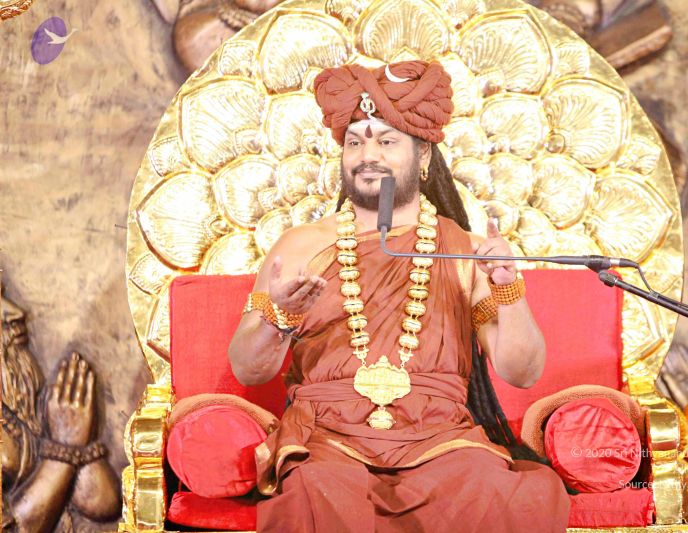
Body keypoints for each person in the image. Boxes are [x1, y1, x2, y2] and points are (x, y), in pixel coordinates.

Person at [228, 60, 570, 532]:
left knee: (492, 489)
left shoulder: (464, 251)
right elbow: (247, 369)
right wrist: (279, 318)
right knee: (316, 489)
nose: (367, 155)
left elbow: (523, 373)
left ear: (424, 155)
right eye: (354, 142)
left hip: (440, 440)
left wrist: (508, 288)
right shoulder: (300, 247)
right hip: (327, 440)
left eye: (386, 141)